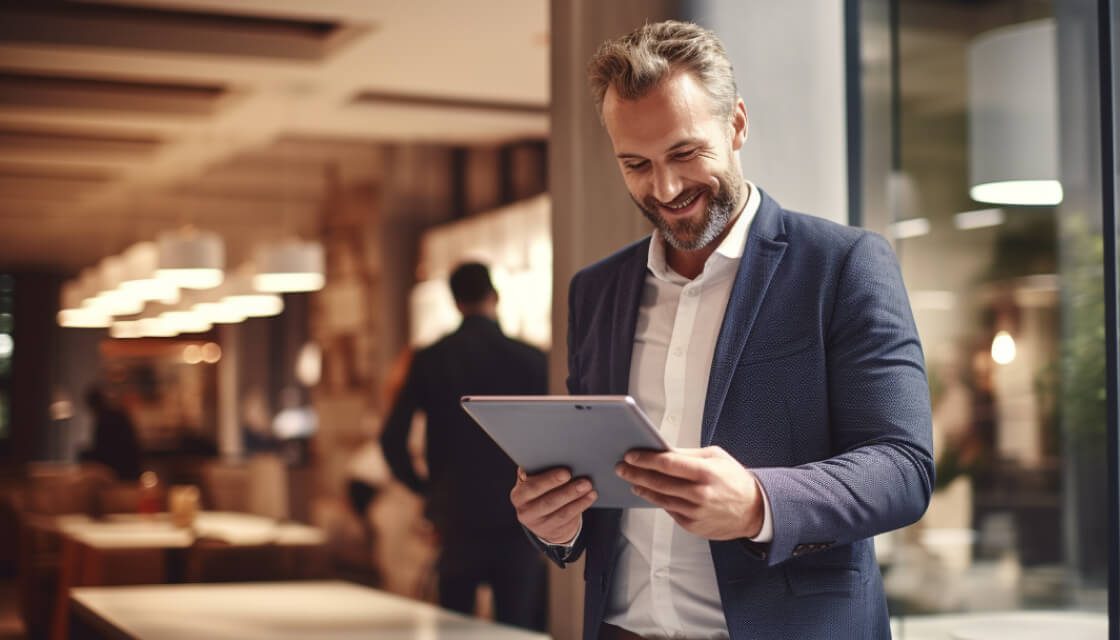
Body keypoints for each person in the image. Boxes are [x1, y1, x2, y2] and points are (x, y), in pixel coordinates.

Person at [509, 21, 934, 639]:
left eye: (686, 153)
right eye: (636, 164)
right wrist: (556, 521)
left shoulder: (843, 266)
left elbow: (903, 468)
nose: (666, 187)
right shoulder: (595, 292)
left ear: (736, 124)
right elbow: (596, 484)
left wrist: (760, 503)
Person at [380, 262, 549, 631]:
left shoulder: (431, 358)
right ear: (495, 296)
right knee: (517, 626)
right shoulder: (533, 358)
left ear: (455, 302)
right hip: (520, 513)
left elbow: (392, 438)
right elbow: (556, 435)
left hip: (455, 512)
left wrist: (425, 489)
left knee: (454, 625)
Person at [81, 385, 142, 481]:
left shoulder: (105, 419)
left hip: (119, 471)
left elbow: (103, 450)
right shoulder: (116, 414)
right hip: (129, 468)